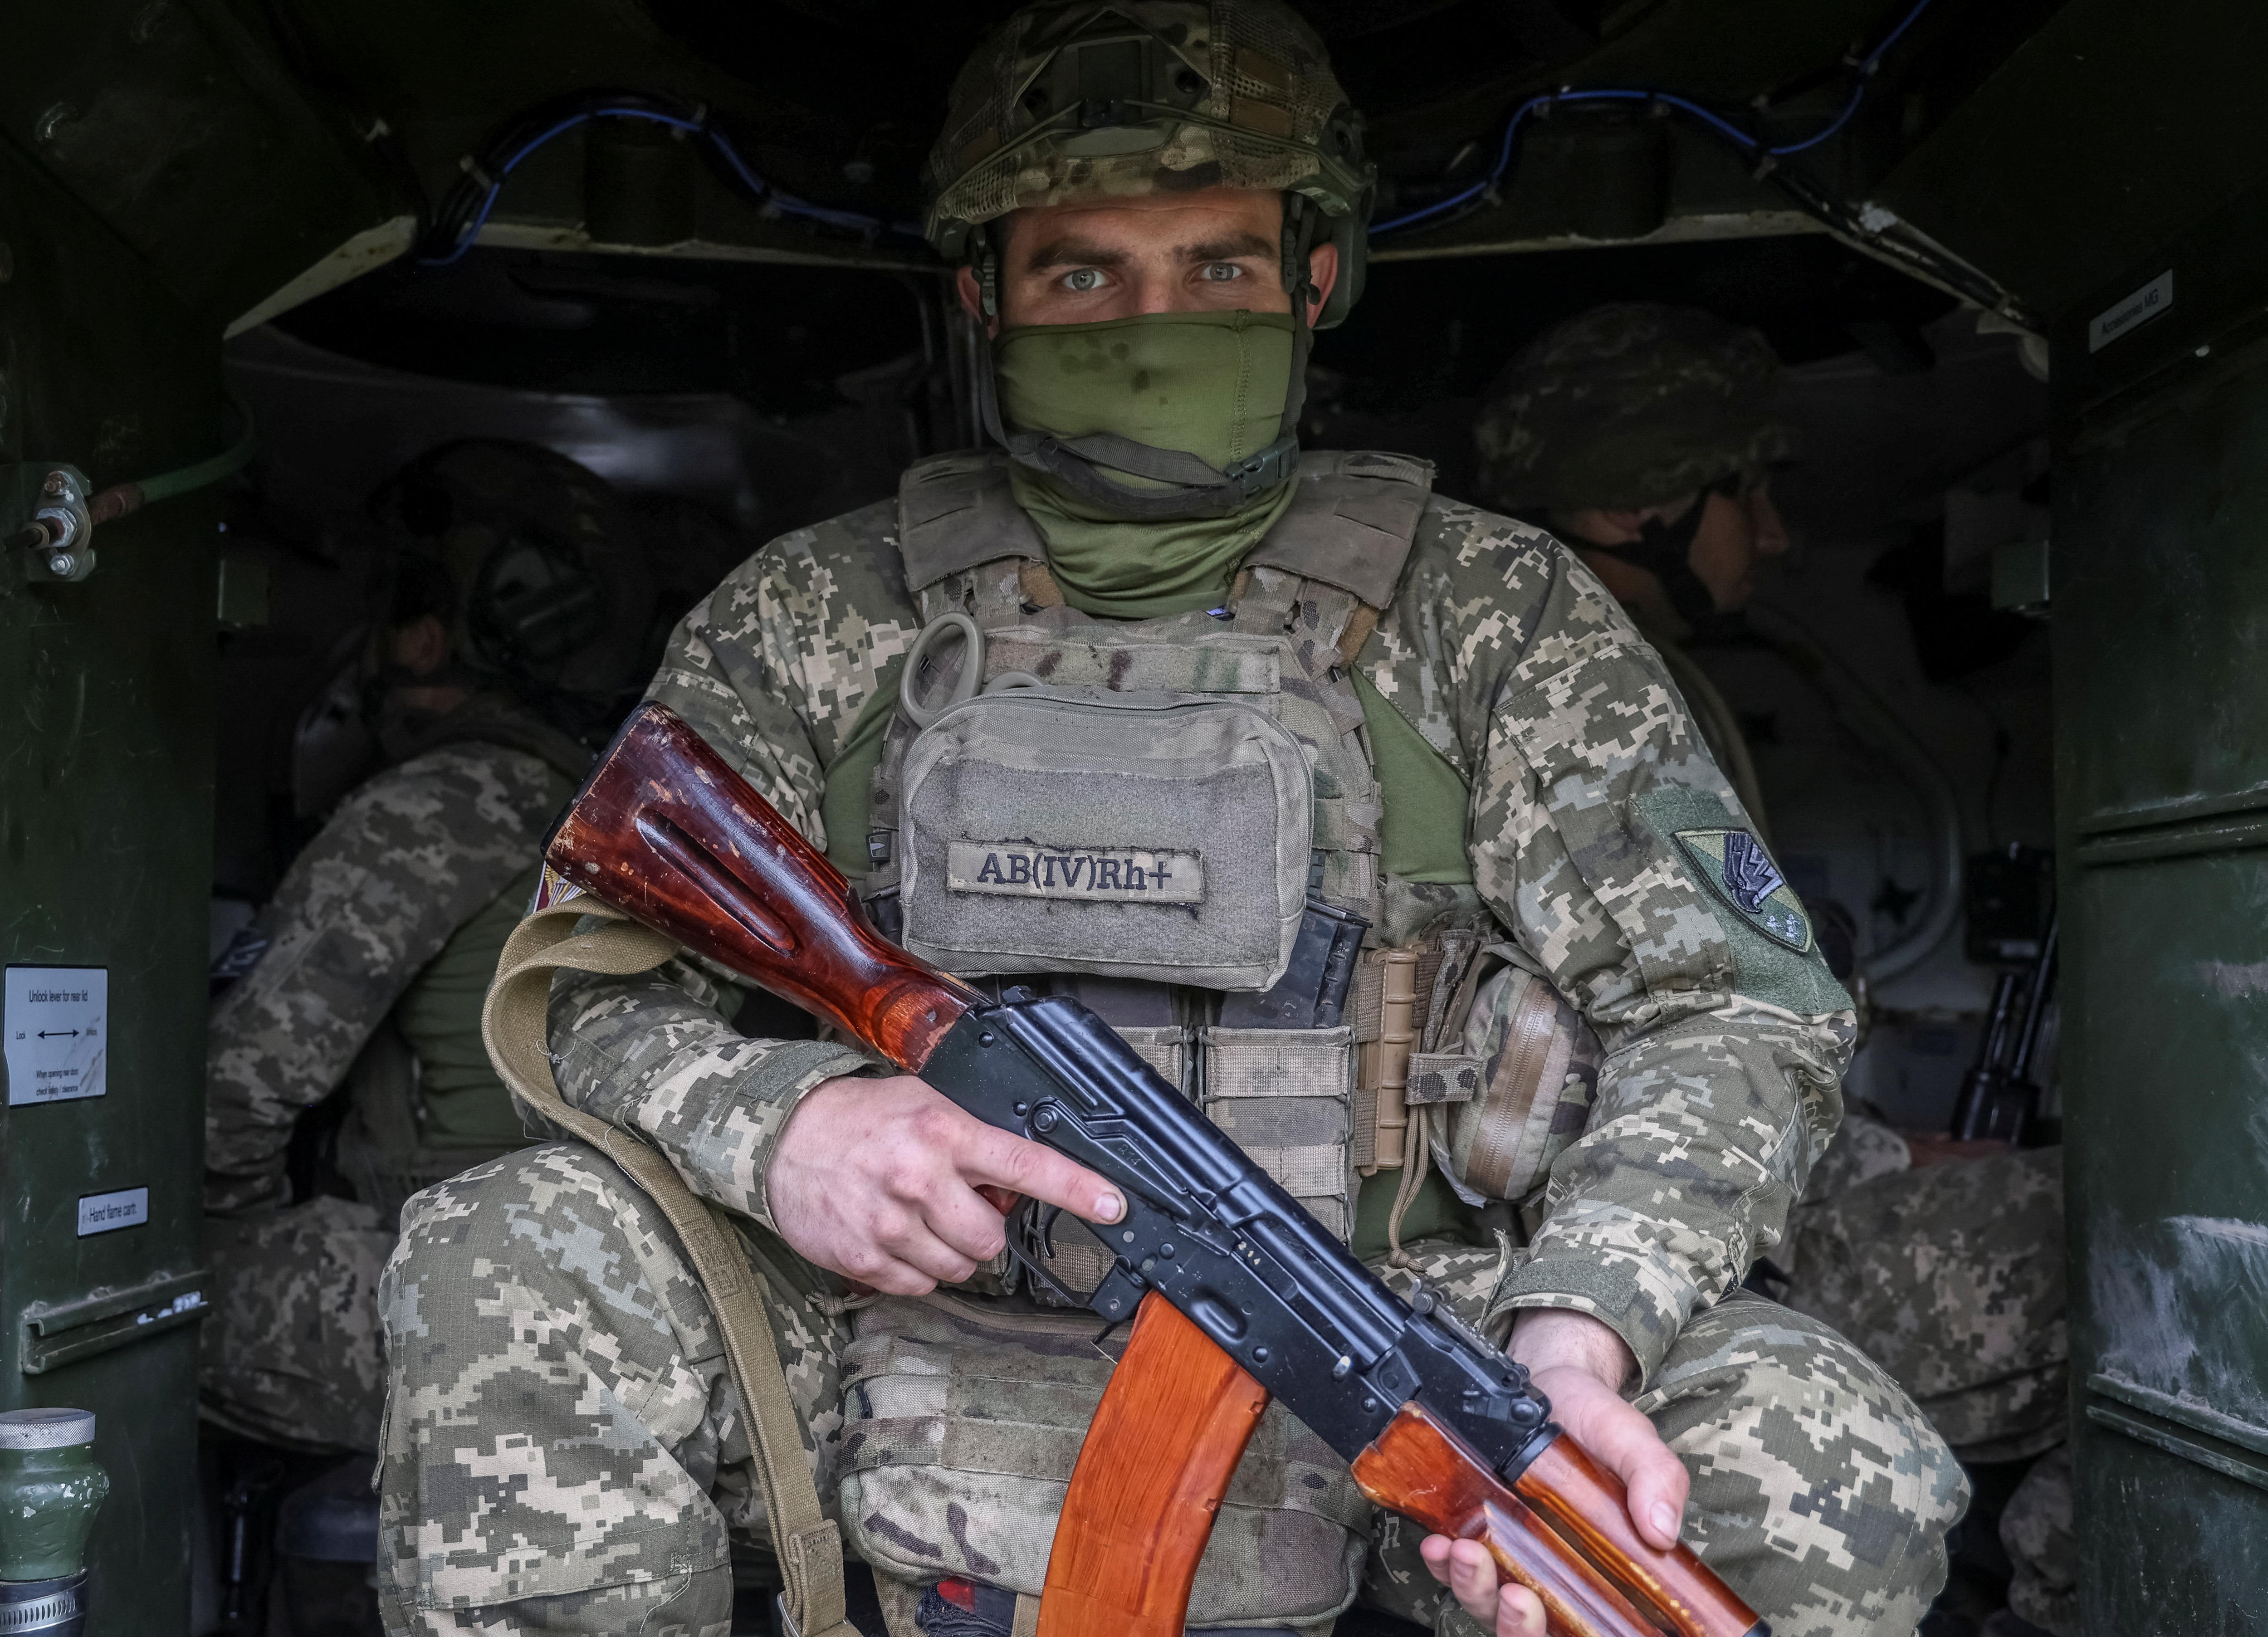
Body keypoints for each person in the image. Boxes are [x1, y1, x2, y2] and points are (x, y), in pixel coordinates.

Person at [375, 10, 1965, 1636]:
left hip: (1397, 1321)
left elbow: (1736, 1007)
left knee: (1824, 1471)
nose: (1155, 326)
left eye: (1217, 266)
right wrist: (785, 1129)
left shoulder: (1496, 614)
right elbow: (586, 982)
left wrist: (1580, 1326)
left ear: (1314, 280)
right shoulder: (816, 616)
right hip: (876, 1307)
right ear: (984, 295)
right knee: (502, 1254)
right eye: (1085, 273)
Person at [1476, 304, 2071, 1636]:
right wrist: (1880, 1160)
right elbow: (1626, 1051)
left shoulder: (1554, 669)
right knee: (2123, 1249)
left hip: (1649, 1246)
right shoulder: (1594, 692)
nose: (1778, 534)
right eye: (1746, 491)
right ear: (1638, 511)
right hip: (1652, 1270)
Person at [201, 440, 651, 1454]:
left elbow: (236, 1090)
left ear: (423, 635)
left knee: (149, 1295)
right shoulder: (605, 811)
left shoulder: (442, 804)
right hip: (624, 1282)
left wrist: (254, 1229)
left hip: (493, 1287)